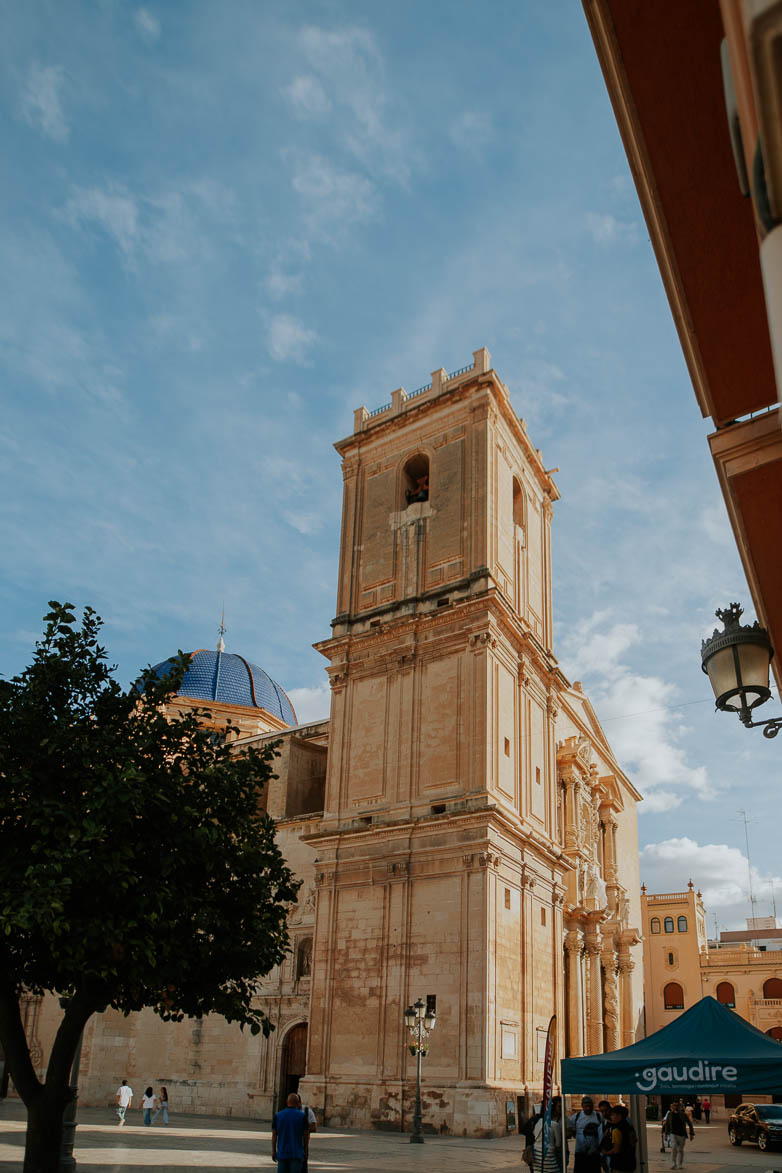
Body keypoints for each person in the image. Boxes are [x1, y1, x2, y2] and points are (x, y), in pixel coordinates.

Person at [272, 1091, 309, 1173]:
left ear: (286, 1102)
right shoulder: (302, 1116)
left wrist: (274, 1151)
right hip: (297, 1153)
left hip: (282, 1153)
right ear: (298, 1103)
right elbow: (306, 1136)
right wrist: (305, 1152)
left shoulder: (278, 1116)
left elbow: (274, 1135)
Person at [569, 1095, 603, 1173]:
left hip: (594, 1152)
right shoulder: (575, 1117)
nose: (588, 1108)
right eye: (586, 1106)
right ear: (582, 1106)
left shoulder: (598, 1116)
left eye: (590, 1106)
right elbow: (572, 1131)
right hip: (580, 1151)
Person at [533, 1096, 565, 1173]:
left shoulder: (539, 1121)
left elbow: (534, 1134)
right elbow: (558, 1144)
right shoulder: (555, 1124)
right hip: (548, 1154)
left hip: (536, 1155)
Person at [663, 1100, 694, 1169]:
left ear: (679, 1107)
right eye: (674, 1105)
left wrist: (691, 1133)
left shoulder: (683, 1114)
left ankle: (680, 1164)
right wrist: (666, 1134)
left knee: (680, 1150)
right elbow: (667, 1124)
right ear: (672, 1106)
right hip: (673, 1133)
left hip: (682, 1134)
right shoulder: (670, 1114)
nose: (675, 1106)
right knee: (673, 1148)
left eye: (677, 1105)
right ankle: (673, 1163)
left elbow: (689, 1123)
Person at [607, 1105, 637, 1173]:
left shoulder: (616, 1131)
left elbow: (616, 1150)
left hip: (619, 1166)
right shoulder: (631, 1128)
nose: (611, 1117)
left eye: (612, 1115)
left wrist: (605, 1152)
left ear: (619, 1116)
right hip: (630, 1164)